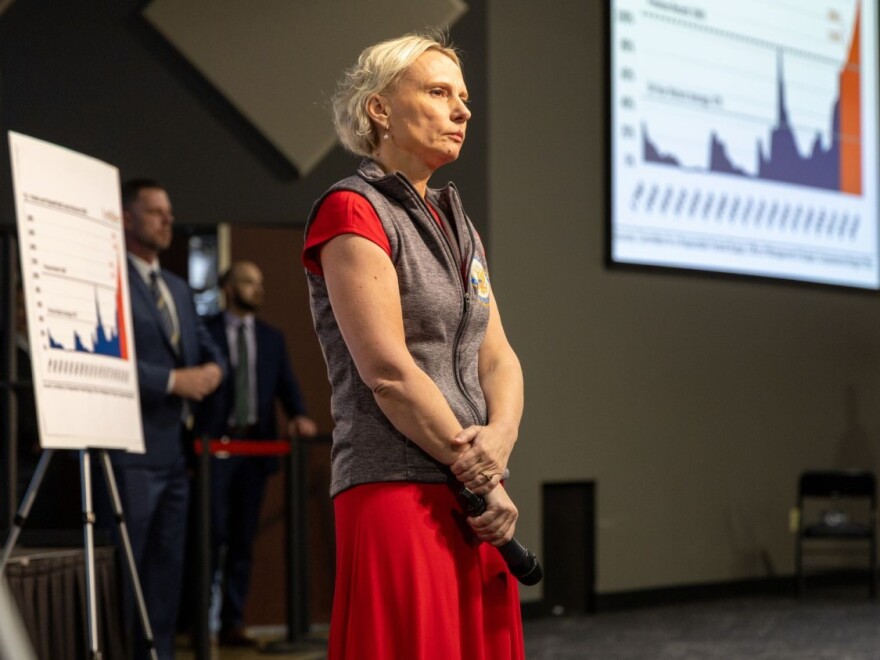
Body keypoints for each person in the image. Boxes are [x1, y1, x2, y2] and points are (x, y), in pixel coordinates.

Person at [302, 33, 526, 659]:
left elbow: (497, 356)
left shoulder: (459, 224)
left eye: (464, 97)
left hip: (475, 492)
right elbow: (389, 374)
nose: (462, 110)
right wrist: (480, 470)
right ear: (379, 109)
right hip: (398, 488)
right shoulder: (353, 210)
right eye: (438, 92)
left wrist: (500, 439)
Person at [117, 178, 225, 660]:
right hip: (130, 452)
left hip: (177, 454)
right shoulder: (110, 280)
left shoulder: (178, 287)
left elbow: (209, 347)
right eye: (156, 211)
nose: (168, 220)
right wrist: (170, 381)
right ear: (126, 217)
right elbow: (106, 360)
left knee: (167, 574)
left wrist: (214, 370)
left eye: (169, 211)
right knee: (130, 574)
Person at [195, 260, 317, 646]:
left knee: (243, 539)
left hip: (255, 450)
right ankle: (199, 624)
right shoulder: (205, 330)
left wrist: (299, 415)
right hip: (213, 449)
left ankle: (232, 623)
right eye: (248, 282)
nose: (257, 289)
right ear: (229, 288)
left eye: (259, 282)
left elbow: (286, 385)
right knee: (209, 537)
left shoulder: (270, 337)